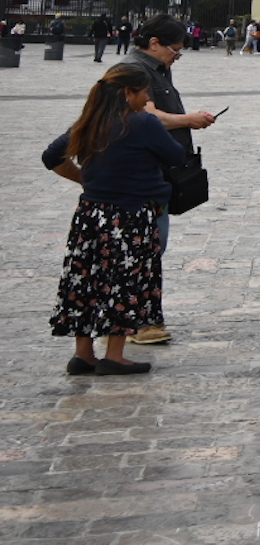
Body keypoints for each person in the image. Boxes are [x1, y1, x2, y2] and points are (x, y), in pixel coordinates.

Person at [44, 65, 187, 375]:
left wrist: (85, 179)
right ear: (128, 93)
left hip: (90, 215)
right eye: (144, 92)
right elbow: (177, 156)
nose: (147, 97)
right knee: (125, 282)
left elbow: (51, 156)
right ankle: (115, 354)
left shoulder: (90, 121)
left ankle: (83, 353)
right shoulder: (143, 123)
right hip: (130, 215)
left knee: (87, 279)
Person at [124, 15, 217, 345]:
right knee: (147, 248)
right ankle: (139, 321)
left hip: (162, 175)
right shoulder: (135, 70)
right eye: (175, 50)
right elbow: (148, 115)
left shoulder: (157, 69)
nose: (176, 56)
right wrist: (187, 120)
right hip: (145, 176)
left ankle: (136, 319)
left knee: (152, 247)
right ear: (154, 44)